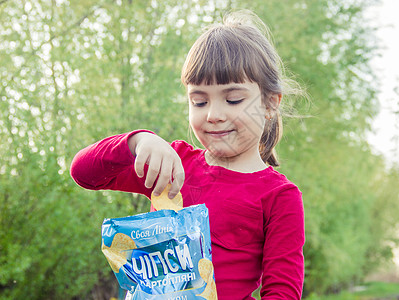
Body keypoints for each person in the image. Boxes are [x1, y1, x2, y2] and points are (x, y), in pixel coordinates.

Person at [71, 10, 305, 299]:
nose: (214, 115)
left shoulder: (279, 196)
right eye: (199, 101)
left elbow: (283, 291)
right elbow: (84, 173)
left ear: (270, 103)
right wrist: (138, 141)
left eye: (233, 99)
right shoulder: (173, 166)